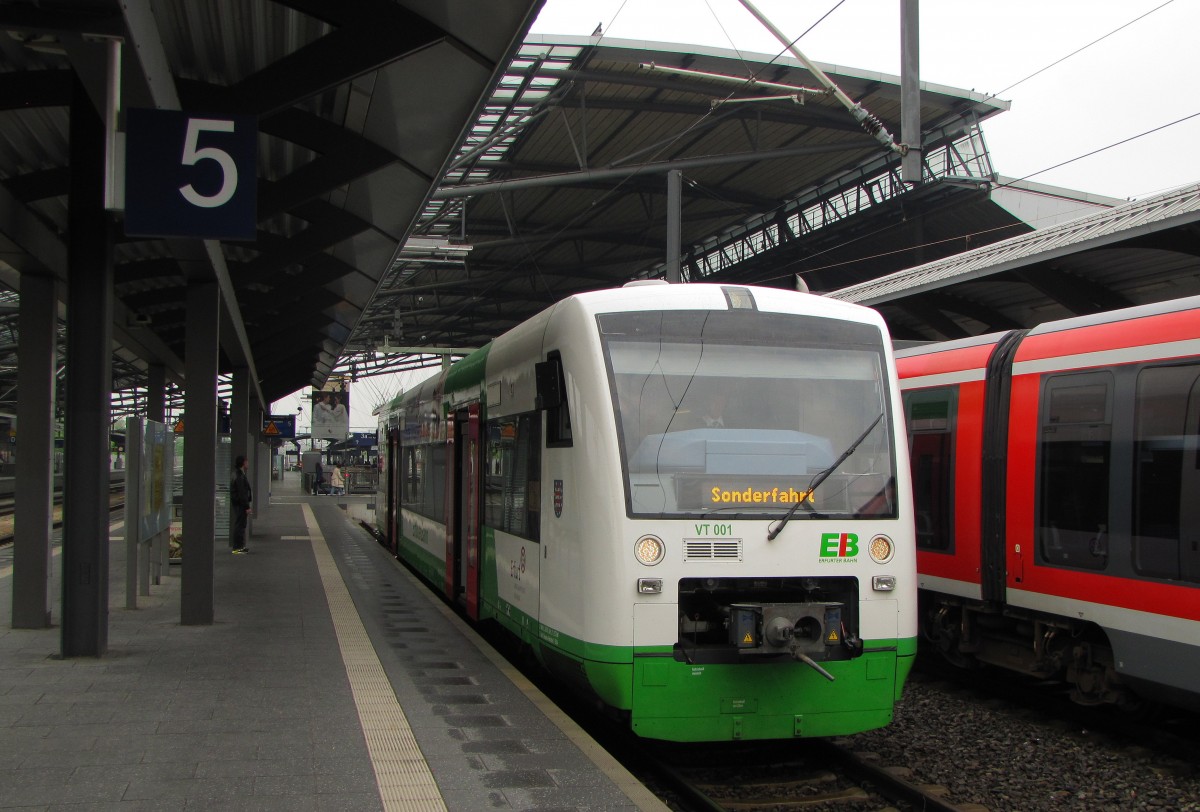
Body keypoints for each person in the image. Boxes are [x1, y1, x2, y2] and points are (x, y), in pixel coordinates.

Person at [230, 455, 252, 554]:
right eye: (247, 461)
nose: (248, 463)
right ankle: (237, 548)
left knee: (241, 525)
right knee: (240, 525)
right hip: (240, 504)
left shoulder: (239, 474)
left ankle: (240, 547)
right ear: (243, 463)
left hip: (238, 503)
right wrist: (247, 507)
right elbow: (242, 492)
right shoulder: (239, 476)